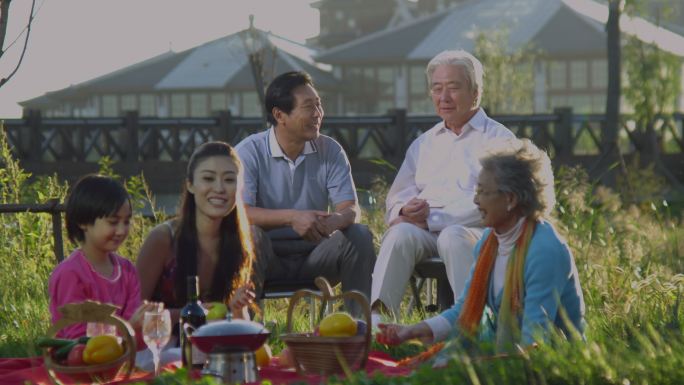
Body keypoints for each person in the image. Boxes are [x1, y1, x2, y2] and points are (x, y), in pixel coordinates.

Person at [376, 138, 585, 353]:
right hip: (510, 357)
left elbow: (535, 338)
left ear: (511, 199)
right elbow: (465, 310)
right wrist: (411, 331)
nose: (476, 201)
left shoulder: (544, 251)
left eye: (483, 192)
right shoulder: (489, 242)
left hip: (553, 368)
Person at [371, 50, 516, 320]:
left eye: (453, 88)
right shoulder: (424, 143)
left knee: (452, 236)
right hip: (425, 231)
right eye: (437, 88)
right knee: (399, 234)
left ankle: (471, 326)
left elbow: (496, 202)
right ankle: (378, 325)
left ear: (475, 91)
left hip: (478, 233)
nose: (444, 97)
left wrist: (432, 218)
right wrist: (404, 211)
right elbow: (397, 196)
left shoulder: (499, 139)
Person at [235, 71, 376, 315]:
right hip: (268, 257)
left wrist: (335, 220)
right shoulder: (248, 152)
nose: (318, 114)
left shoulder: (330, 149)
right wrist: (292, 217)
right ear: (280, 115)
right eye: (308, 107)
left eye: (319, 105)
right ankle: (248, 334)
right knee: (251, 236)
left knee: (359, 234)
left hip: (317, 255)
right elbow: (239, 213)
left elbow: (350, 208)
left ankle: (361, 328)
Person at [136, 141, 256, 325]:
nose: (219, 188)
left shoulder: (239, 242)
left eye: (229, 180)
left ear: (240, 188)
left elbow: (239, 323)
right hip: (162, 346)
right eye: (208, 179)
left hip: (215, 345)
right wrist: (192, 314)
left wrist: (237, 309)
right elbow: (134, 313)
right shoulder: (163, 239)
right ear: (190, 185)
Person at [48, 174, 157, 339]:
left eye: (126, 222)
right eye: (113, 222)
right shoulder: (70, 274)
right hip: (77, 362)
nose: (121, 231)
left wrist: (147, 323)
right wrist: (130, 328)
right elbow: (79, 341)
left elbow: (136, 339)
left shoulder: (127, 270)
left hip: (123, 359)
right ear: (83, 222)